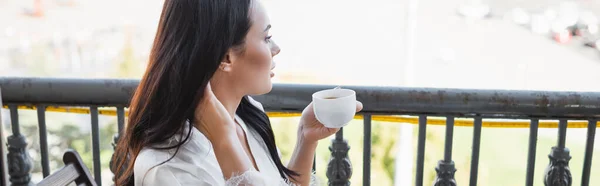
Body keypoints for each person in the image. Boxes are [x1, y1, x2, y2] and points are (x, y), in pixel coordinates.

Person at [111, 0, 363, 185]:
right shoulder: (170, 168)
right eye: (267, 38)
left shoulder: (247, 117)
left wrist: (305, 140)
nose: (276, 48)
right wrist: (226, 145)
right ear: (226, 57)